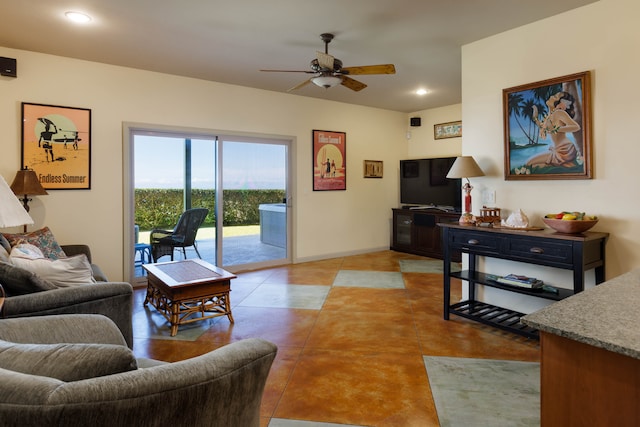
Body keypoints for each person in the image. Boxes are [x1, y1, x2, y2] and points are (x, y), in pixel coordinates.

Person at [527, 91, 582, 168]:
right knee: (534, 166)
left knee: (529, 163)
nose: (551, 96)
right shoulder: (549, 117)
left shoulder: (559, 113)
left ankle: (565, 163)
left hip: (565, 149)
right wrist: (535, 116)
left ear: (559, 104)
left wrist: (557, 129)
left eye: (555, 97)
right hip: (557, 149)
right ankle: (565, 164)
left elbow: (576, 127)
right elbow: (543, 127)